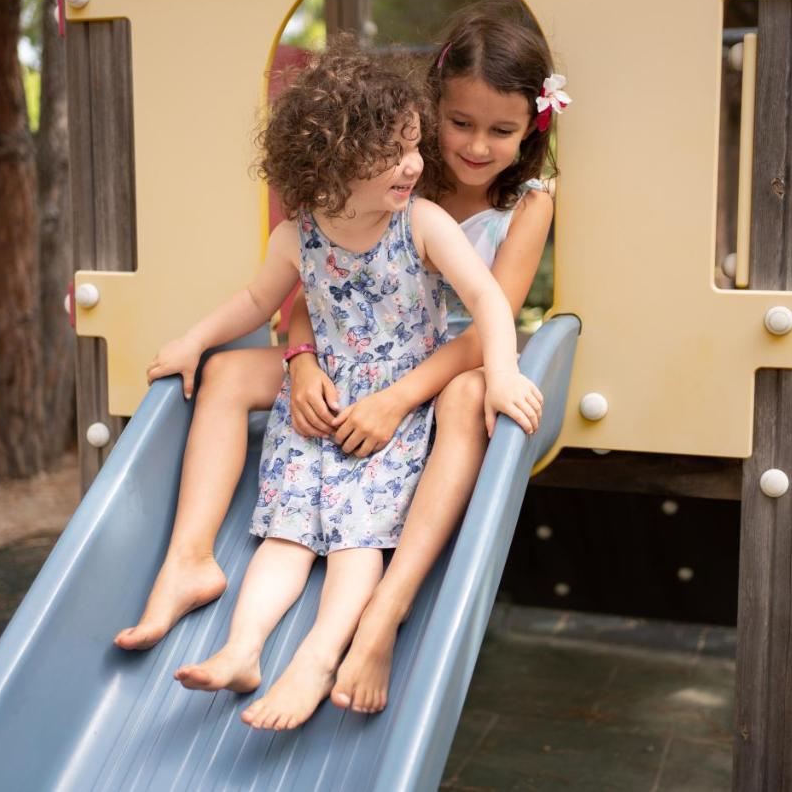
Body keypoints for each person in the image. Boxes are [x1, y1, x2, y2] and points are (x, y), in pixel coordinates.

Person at [122, 41, 543, 732]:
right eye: (403, 147)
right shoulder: (300, 234)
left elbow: (489, 302)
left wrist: (500, 371)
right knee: (283, 539)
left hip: (406, 394)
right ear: (337, 162)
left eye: (413, 147)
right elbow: (264, 301)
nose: (416, 161)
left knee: (355, 546)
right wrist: (207, 341)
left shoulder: (422, 219)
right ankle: (241, 644)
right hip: (320, 402)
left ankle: (320, 656)